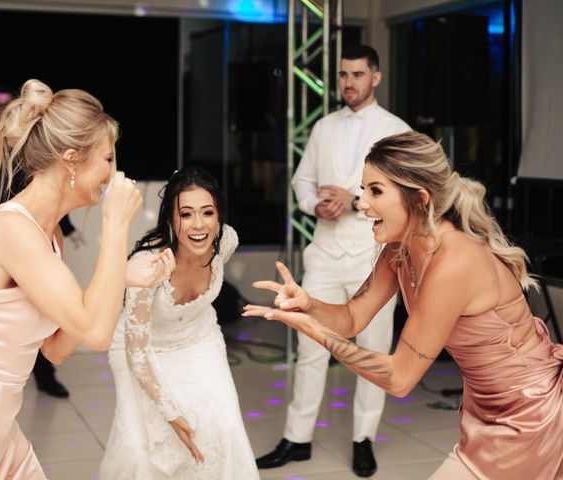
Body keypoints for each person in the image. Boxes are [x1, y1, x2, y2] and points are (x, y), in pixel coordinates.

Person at [245, 131, 563, 479]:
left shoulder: (454, 263)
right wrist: (308, 305)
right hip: (485, 411)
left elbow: (399, 378)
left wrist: (316, 333)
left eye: (375, 191)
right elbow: (352, 318)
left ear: (419, 199)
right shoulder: (399, 250)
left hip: (531, 414)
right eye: (363, 189)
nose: (362, 203)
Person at [0, 78, 175, 479]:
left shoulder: (48, 234)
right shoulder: (12, 230)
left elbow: (58, 347)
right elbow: (96, 332)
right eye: (108, 159)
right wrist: (114, 226)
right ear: (72, 159)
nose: (113, 173)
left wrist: (121, 278)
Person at [254, 44, 409, 477]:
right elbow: (302, 180)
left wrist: (355, 198)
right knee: (310, 346)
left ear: (375, 77)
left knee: (373, 350)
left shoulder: (397, 130)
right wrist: (313, 204)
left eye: (357, 75)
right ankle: (296, 438)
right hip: (323, 252)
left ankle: (363, 438)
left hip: (373, 257)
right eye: (343, 75)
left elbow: (406, 198)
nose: (348, 83)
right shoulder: (323, 126)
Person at [100, 166, 259, 480]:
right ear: (171, 220)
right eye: (186, 214)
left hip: (200, 335)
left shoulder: (225, 241)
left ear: (219, 215)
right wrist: (170, 413)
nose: (199, 225)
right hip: (142, 349)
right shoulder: (147, 266)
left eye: (208, 212)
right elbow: (138, 352)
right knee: (140, 448)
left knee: (222, 424)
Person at [0, 84, 83, 398]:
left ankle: (44, 375)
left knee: (38, 309)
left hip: (28, 238)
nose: (0, 111)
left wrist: (68, 227)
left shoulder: (34, 144)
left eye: (6, 105)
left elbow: (47, 191)